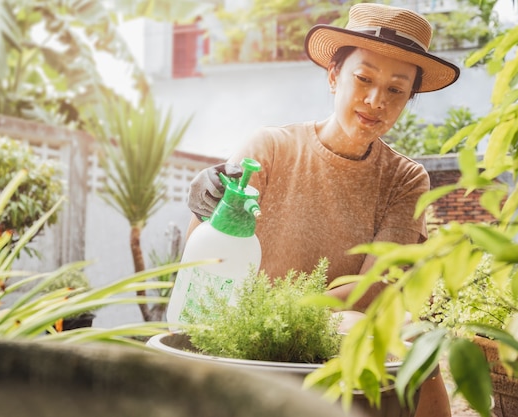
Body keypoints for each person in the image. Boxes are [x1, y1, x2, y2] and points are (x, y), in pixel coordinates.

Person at [186, 3, 460, 417]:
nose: (375, 100)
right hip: (239, 335)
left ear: (409, 98)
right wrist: (204, 207)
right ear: (334, 76)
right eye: (364, 78)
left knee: (417, 345)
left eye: (396, 90)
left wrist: (286, 318)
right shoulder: (270, 149)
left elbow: (373, 287)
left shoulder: (405, 179)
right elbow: (204, 259)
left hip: (339, 340)